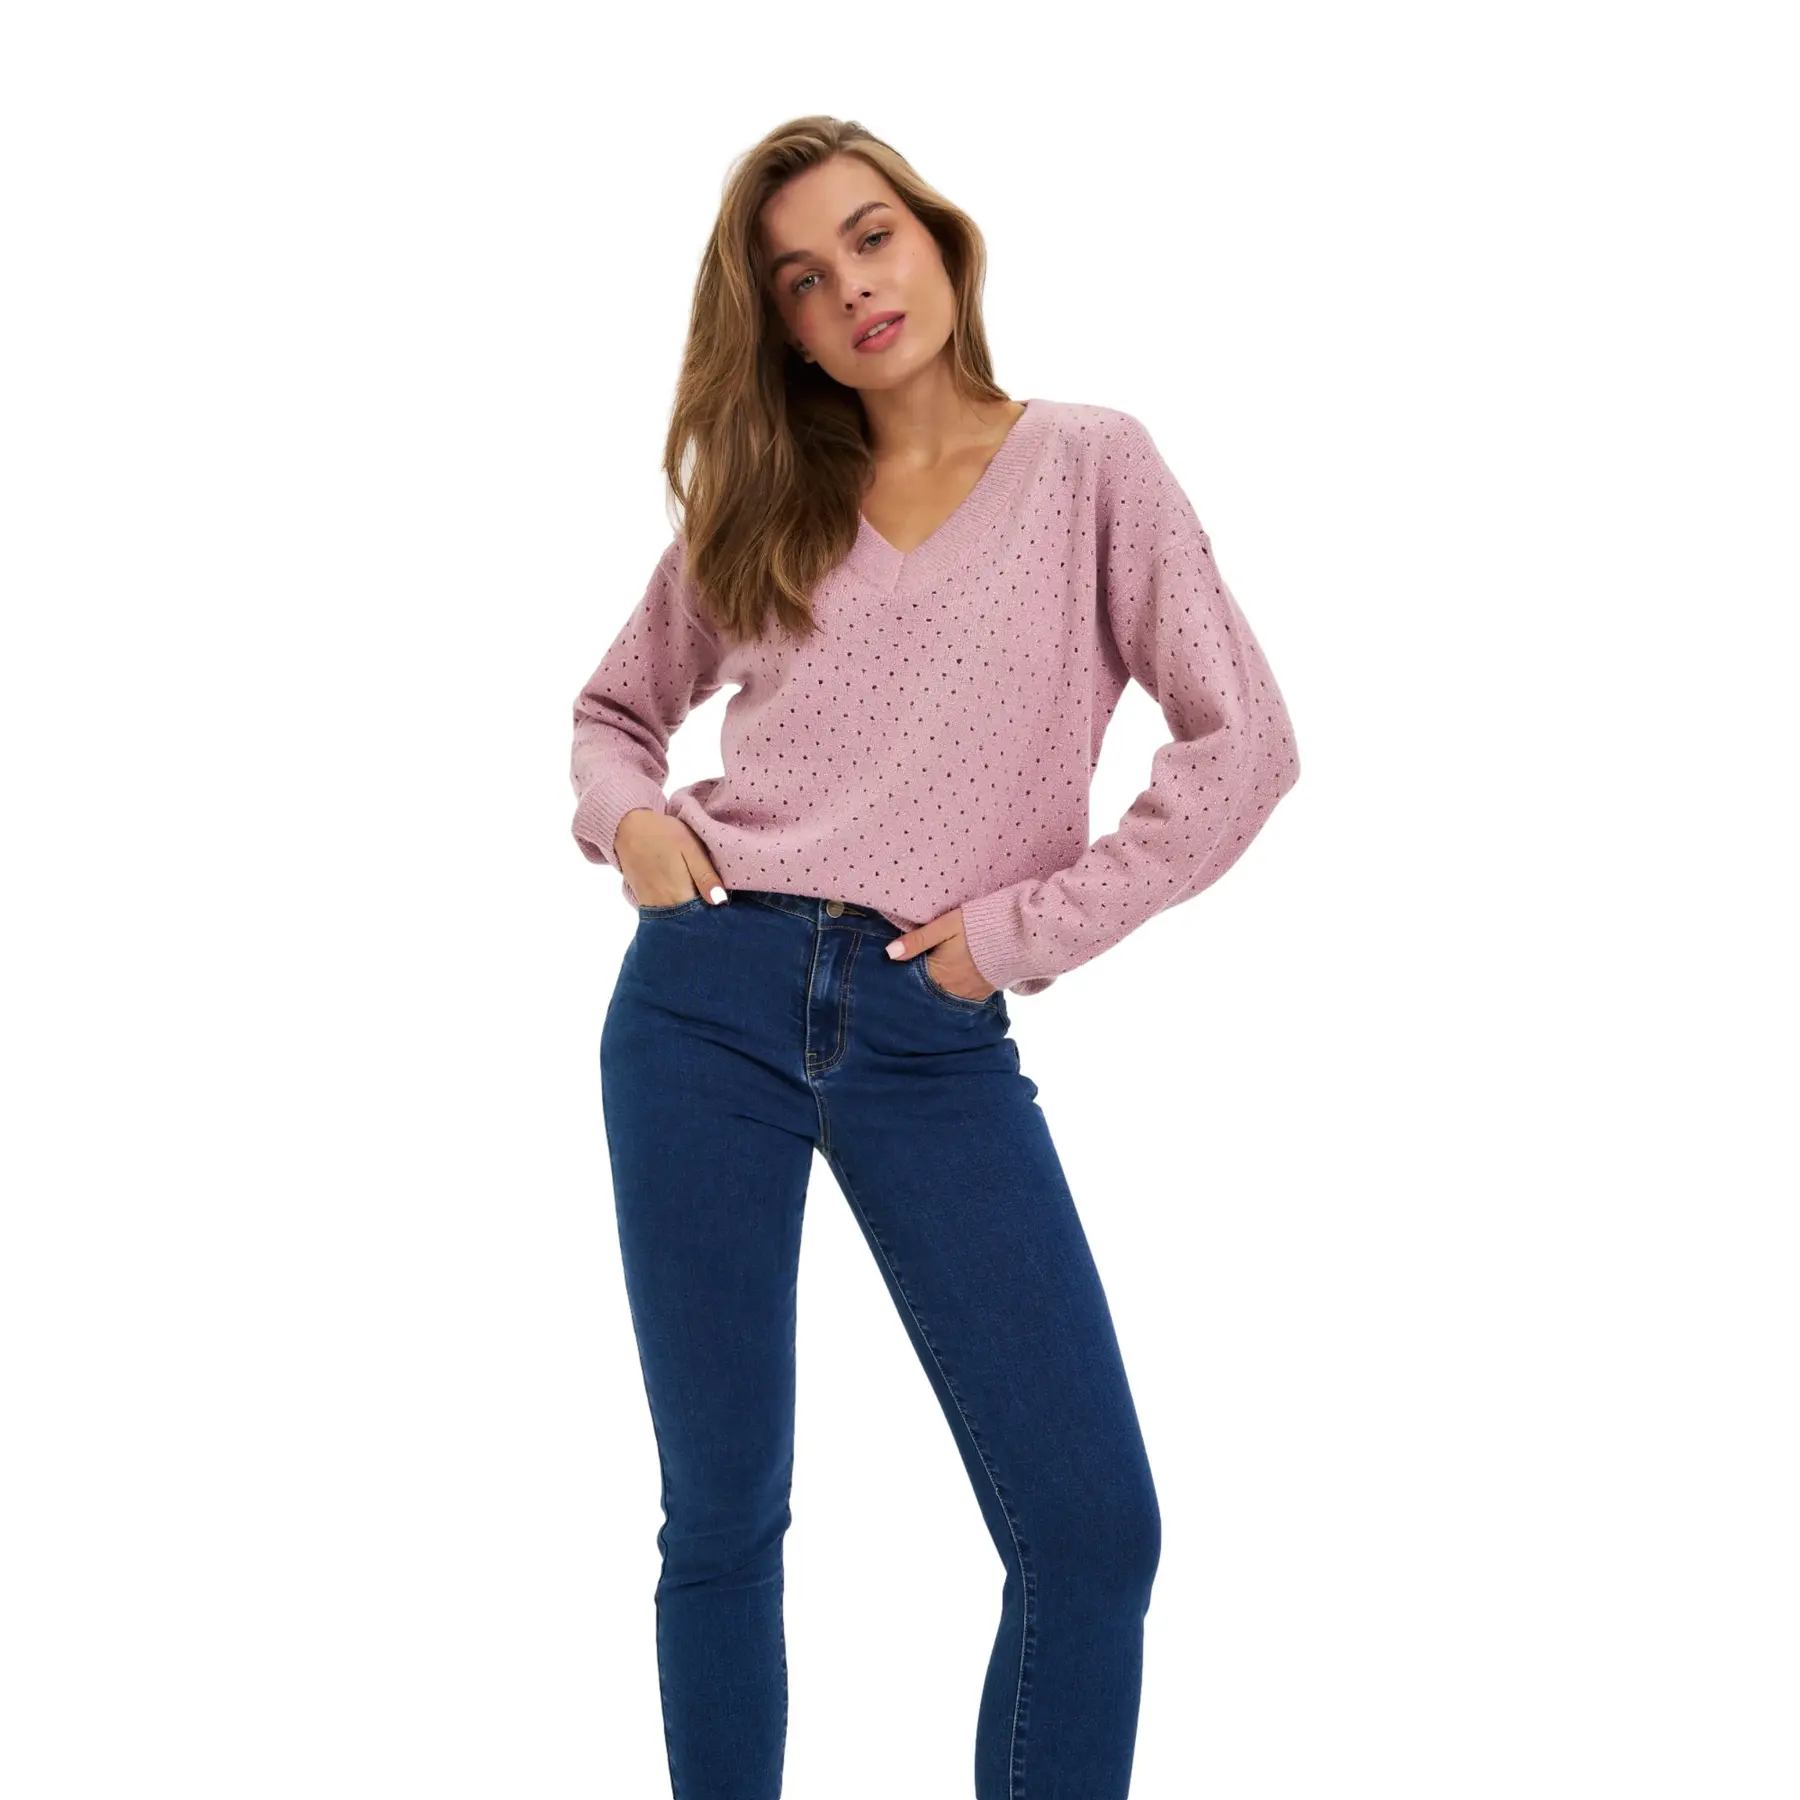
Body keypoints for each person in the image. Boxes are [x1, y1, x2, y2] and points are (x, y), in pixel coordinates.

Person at [568, 114, 1301, 1800]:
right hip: (703, 1009)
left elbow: (1244, 745)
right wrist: (634, 826)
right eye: (801, 281)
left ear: (939, 238)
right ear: (782, 329)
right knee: (724, 1512)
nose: (852, 290)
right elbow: (614, 713)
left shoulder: (1094, 467)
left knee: (1091, 1532)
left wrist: (1021, 935)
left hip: (930, 1027)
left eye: (871, 236)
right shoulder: (770, 498)